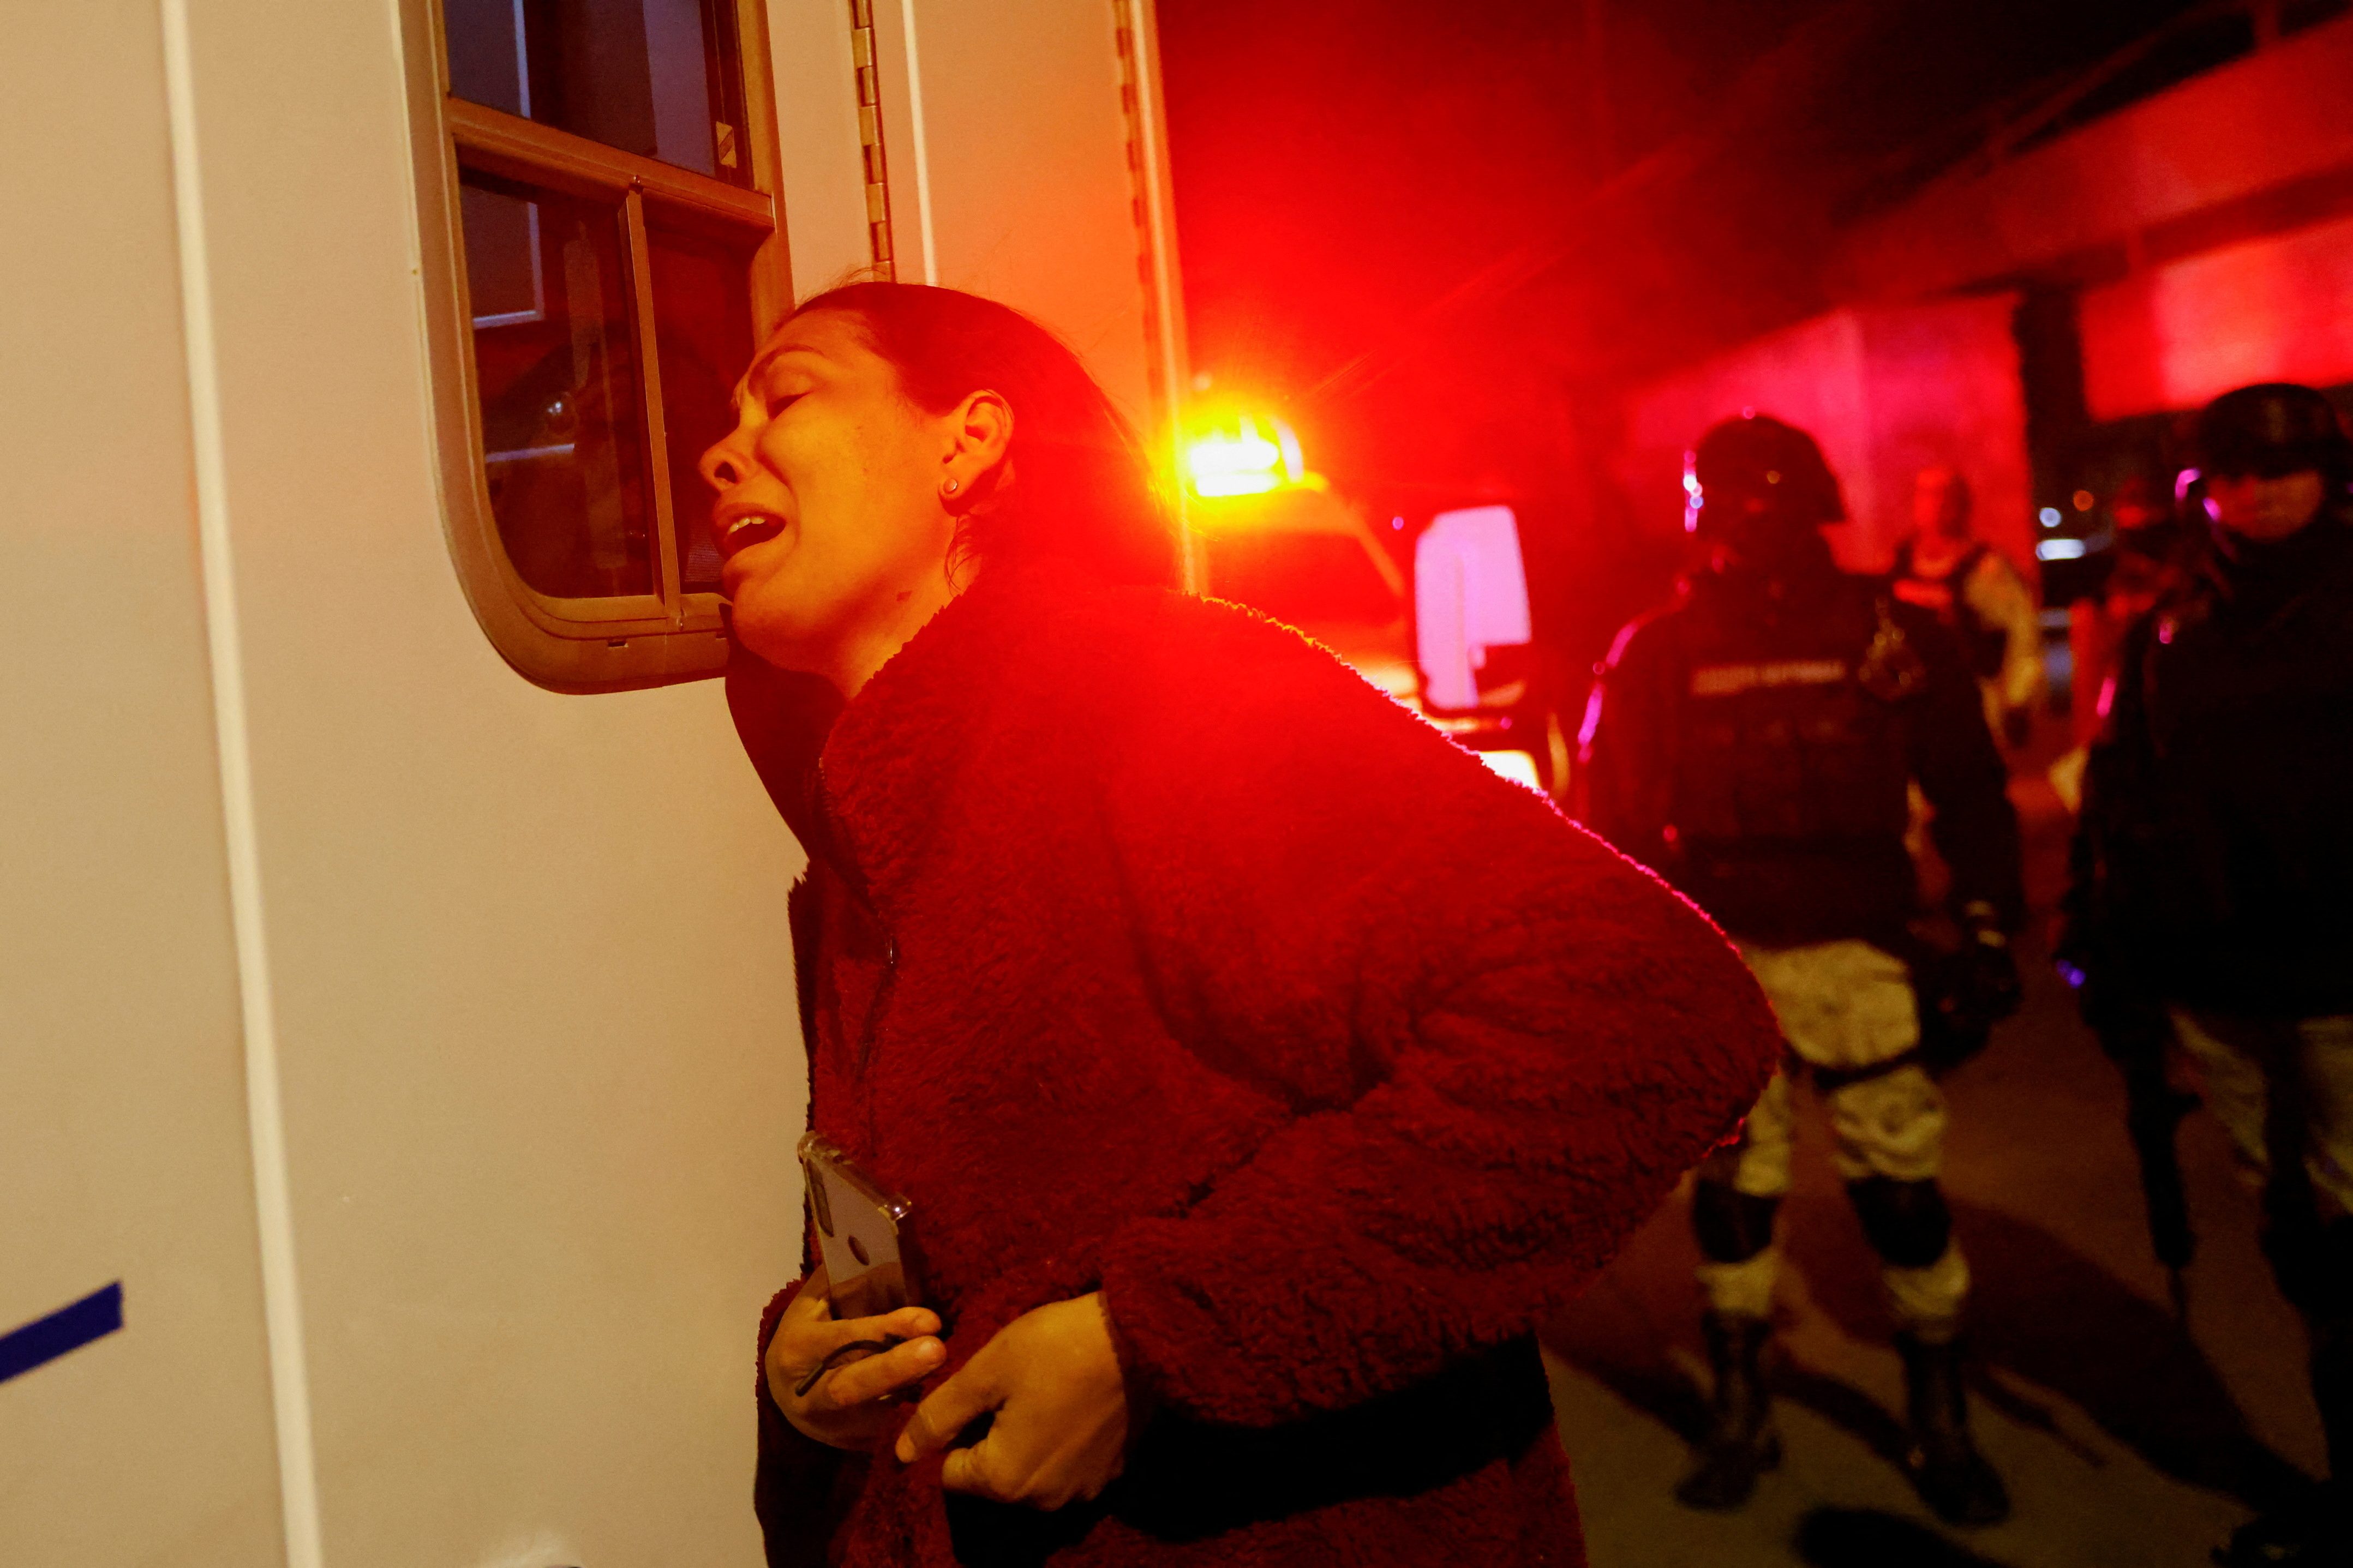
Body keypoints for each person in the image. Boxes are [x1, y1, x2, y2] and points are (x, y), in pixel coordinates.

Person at [698, 281, 1783, 1568]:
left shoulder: (1146, 689)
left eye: (791, 393)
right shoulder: (871, 817)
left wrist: (1154, 1340)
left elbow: (1649, 1003)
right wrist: (824, 1359)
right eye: (727, 419)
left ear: (967, 440)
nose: (723, 451)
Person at [1577, 413, 2026, 1527]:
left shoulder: (1891, 633)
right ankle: (1739, 1407)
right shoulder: (1655, 650)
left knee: (1899, 1193)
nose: (1746, 533)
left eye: (1763, 511)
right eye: (1727, 512)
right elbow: (1611, 819)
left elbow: (1968, 783)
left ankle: (1937, 1415)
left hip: (1859, 950)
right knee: (1735, 1195)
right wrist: (1622, 967)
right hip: (1720, 956)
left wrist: (1983, 923)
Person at [2062, 382, 2353, 1568]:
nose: (2265, 491)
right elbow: (2118, 797)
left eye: (2285, 470)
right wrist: (2093, 941)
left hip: (2345, 984)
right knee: (2298, 1245)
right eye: (2238, 473)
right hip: (2222, 984)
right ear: (2204, 490)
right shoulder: (2169, 629)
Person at [1892, 465, 2046, 750]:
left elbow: (2022, 635)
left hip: (1972, 706)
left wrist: (2018, 699)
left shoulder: (1987, 570)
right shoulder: (1898, 564)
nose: (1935, 503)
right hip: (1913, 706)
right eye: (1925, 494)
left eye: (1943, 494)